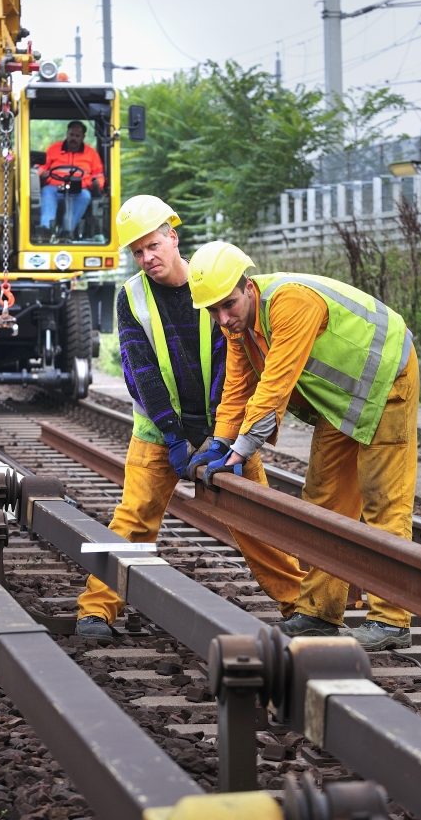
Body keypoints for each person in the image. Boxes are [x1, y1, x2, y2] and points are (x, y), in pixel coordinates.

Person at [76, 197, 305, 642]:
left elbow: (231, 366)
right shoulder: (132, 297)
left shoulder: (209, 282)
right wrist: (175, 435)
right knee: (134, 517)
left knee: (255, 518)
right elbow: (139, 369)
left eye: (153, 245)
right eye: (137, 252)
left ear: (173, 237)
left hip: (224, 430)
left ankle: (301, 606)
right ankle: (95, 609)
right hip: (159, 432)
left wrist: (217, 436)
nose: (147, 258)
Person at [187, 241, 418, 651]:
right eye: (213, 311)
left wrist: (238, 452)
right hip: (341, 400)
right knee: (323, 500)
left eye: (228, 305)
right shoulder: (237, 324)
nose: (223, 318)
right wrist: (219, 440)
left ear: (248, 287)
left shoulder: (291, 302)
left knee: (384, 500)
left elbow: (274, 385)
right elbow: (237, 387)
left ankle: (392, 620)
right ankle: (319, 613)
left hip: (387, 379)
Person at [37, 120, 104, 239]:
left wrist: (98, 183)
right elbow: (40, 167)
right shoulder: (53, 149)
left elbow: (99, 174)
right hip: (54, 188)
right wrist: (41, 174)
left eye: (77, 136)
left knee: (85, 196)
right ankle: (46, 230)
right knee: (46, 192)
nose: (74, 138)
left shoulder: (91, 153)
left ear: (83, 137)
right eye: (71, 135)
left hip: (79, 190)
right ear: (67, 134)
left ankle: (66, 233)